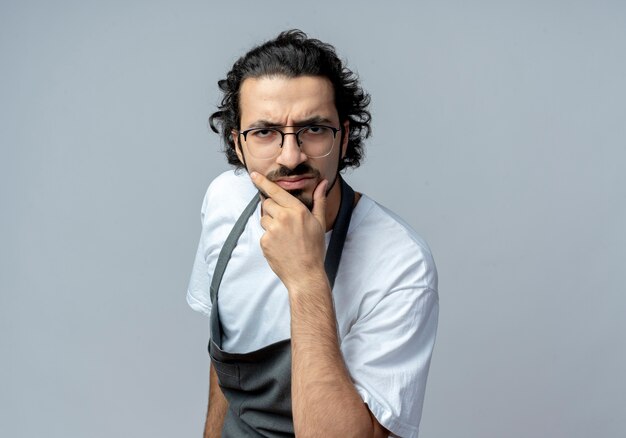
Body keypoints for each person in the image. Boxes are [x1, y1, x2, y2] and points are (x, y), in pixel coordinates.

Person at [187, 29, 439, 438]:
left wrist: (306, 279)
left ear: (344, 137)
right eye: (265, 132)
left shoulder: (399, 262)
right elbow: (222, 368)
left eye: (314, 129)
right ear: (238, 143)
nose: (291, 156)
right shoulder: (224, 202)